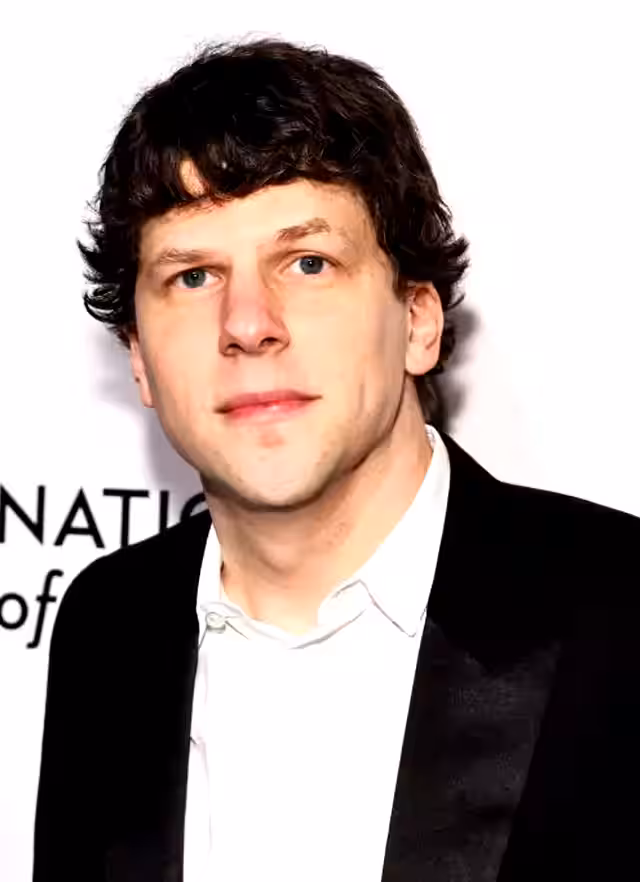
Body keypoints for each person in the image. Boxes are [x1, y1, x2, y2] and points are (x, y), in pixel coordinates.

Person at [34, 39, 640, 882]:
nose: (248, 323)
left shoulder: (622, 613)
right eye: (194, 277)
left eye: (308, 263)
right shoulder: (109, 629)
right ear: (138, 355)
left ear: (419, 321)